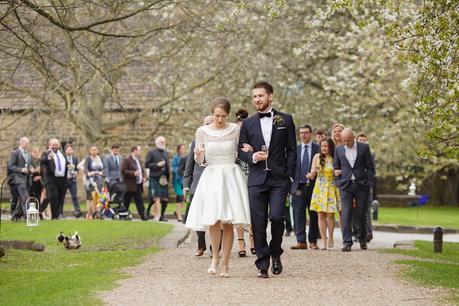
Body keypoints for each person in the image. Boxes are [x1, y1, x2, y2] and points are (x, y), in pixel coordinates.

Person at [186, 97, 251, 278]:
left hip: (230, 175)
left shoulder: (236, 129)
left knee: (227, 221)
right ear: (212, 113)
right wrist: (198, 155)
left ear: (228, 115)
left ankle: (226, 263)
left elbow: (241, 153)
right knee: (213, 220)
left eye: (223, 116)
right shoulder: (202, 131)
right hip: (212, 175)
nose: (220, 119)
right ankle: (214, 257)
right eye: (216, 116)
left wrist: (250, 151)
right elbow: (200, 161)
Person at [238, 81, 297, 278]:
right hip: (256, 179)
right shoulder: (247, 124)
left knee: (277, 217)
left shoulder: (285, 120)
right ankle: (262, 263)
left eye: (260, 96)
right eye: (254, 96)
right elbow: (241, 150)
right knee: (258, 222)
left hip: (279, 179)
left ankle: (276, 251)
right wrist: (253, 156)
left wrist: (289, 174)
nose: (257, 100)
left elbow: (292, 150)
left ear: (270, 96)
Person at [333, 128, 375, 252]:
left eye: (348, 141)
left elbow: (370, 167)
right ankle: (347, 242)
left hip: (362, 185)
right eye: (344, 140)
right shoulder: (338, 149)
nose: (345, 143)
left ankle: (362, 239)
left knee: (361, 214)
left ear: (353, 138)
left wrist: (369, 183)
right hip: (346, 186)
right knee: (346, 214)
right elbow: (336, 167)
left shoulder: (363, 148)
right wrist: (338, 182)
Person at [183, 115, 214, 257]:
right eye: (205, 123)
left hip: (214, 181)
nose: (206, 126)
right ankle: (201, 245)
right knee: (199, 216)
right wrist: (186, 185)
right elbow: (189, 166)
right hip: (198, 183)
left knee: (216, 215)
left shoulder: (217, 139)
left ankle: (215, 246)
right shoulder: (196, 141)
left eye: (209, 123)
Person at [290, 124, 320, 250]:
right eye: (301, 133)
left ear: (311, 133)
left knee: (313, 214)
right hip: (298, 186)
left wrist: (315, 173)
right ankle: (301, 241)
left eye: (306, 132)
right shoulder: (295, 149)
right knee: (298, 214)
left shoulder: (318, 148)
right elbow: (290, 166)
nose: (304, 135)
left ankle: (313, 241)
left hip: (314, 186)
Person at [310, 138, 341, 250]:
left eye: (326, 146)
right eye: (322, 146)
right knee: (321, 215)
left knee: (330, 215)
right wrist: (311, 174)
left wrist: (338, 172)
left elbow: (339, 170)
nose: (324, 148)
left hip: (331, 187)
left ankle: (331, 238)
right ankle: (323, 240)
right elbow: (312, 173)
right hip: (320, 188)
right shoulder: (316, 157)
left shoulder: (334, 157)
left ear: (330, 147)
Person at [234, 107, 256, 257]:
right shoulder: (233, 136)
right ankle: (240, 242)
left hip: (252, 174)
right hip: (237, 175)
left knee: (253, 208)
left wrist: (252, 149)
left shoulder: (253, 135)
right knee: (239, 208)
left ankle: (253, 240)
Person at [354, 132, 376, 242]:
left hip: (365, 186)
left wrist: (368, 184)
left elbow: (372, 171)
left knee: (366, 211)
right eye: (360, 140)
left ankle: (368, 233)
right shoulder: (353, 155)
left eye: (364, 140)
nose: (362, 142)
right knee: (357, 212)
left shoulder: (370, 155)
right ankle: (359, 233)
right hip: (355, 186)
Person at [40, 138, 68, 219]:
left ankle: (40, 211)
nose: (55, 146)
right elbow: (41, 161)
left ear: (59, 145)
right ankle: (54, 216)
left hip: (62, 179)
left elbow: (65, 163)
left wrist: (69, 165)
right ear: (50, 145)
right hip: (50, 178)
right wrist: (48, 158)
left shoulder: (62, 153)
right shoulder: (46, 153)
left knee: (58, 197)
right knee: (53, 196)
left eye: (56, 145)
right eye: (53, 145)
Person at [8, 137, 33, 221]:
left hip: (27, 179)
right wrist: (21, 169)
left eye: (28, 143)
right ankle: (28, 217)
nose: (28, 145)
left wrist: (31, 169)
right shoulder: (15, 153)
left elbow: (29, 165)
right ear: (21, 143)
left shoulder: (29, 155)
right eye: (27, 143)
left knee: (21, 198)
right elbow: (11, 166)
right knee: (25, 197)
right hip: (18, 178)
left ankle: (15, 216)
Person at [145, 136, 170, 221]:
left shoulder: (165, 152)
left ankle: (161, 214)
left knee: (165, 199)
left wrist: (167, 177)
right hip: (155, 177)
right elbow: (147, 164)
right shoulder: (151, 152)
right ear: (157, 143)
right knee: (156, 197)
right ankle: (158, 216)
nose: (163, 143)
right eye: (161, 142)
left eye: (164, 142)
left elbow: (167, 166)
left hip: (163, 179)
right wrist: (157, 165)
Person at [121, 146, 147, 220]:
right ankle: (123, 215)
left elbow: (142, 170)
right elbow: (123, 170)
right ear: (134, 150)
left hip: (138, 184)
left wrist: (144, 177)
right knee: (126, 201)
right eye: (139, 150)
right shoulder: (127, 159)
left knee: (139, 201)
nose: (140, 152)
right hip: (130, 185)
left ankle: (143, 215)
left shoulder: (138, 160)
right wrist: (133, 173)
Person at [83, 145, 105, 220]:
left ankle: (90, 214)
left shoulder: (101, 158)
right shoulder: (88, 159)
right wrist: (90, 173)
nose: (94, 151)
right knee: (92, 197)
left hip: (99, 180)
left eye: (95, 150)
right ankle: (95, 214)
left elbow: (104, 168)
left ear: (97, 151)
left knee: (99, 197)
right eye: (92, 150)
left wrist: (102, 172)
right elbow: (85, 169)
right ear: (90, 151)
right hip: (90, 181)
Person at [64, 144, 82, 218]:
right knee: (62, 196)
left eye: (71, 149)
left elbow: (77, 168)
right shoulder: (63, 158)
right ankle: (59, 212)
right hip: (65, 180)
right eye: (68, 149)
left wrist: (76, 172)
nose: (69, 151)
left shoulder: (75, 159)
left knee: (74, 196)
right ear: (65, 151)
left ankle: (77, 211)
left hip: (72, 179)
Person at [172, 144, 187, 222]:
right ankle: (179, 216)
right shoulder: (175, 158)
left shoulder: (187, 158)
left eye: (184, 148)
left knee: (184, 198)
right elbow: (174, 168)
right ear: (178, 149)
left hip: (184, 181)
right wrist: (179, 171)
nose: (183, 150)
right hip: (177, 181)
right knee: (180, 197)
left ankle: (177, 212)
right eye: (181, 148)